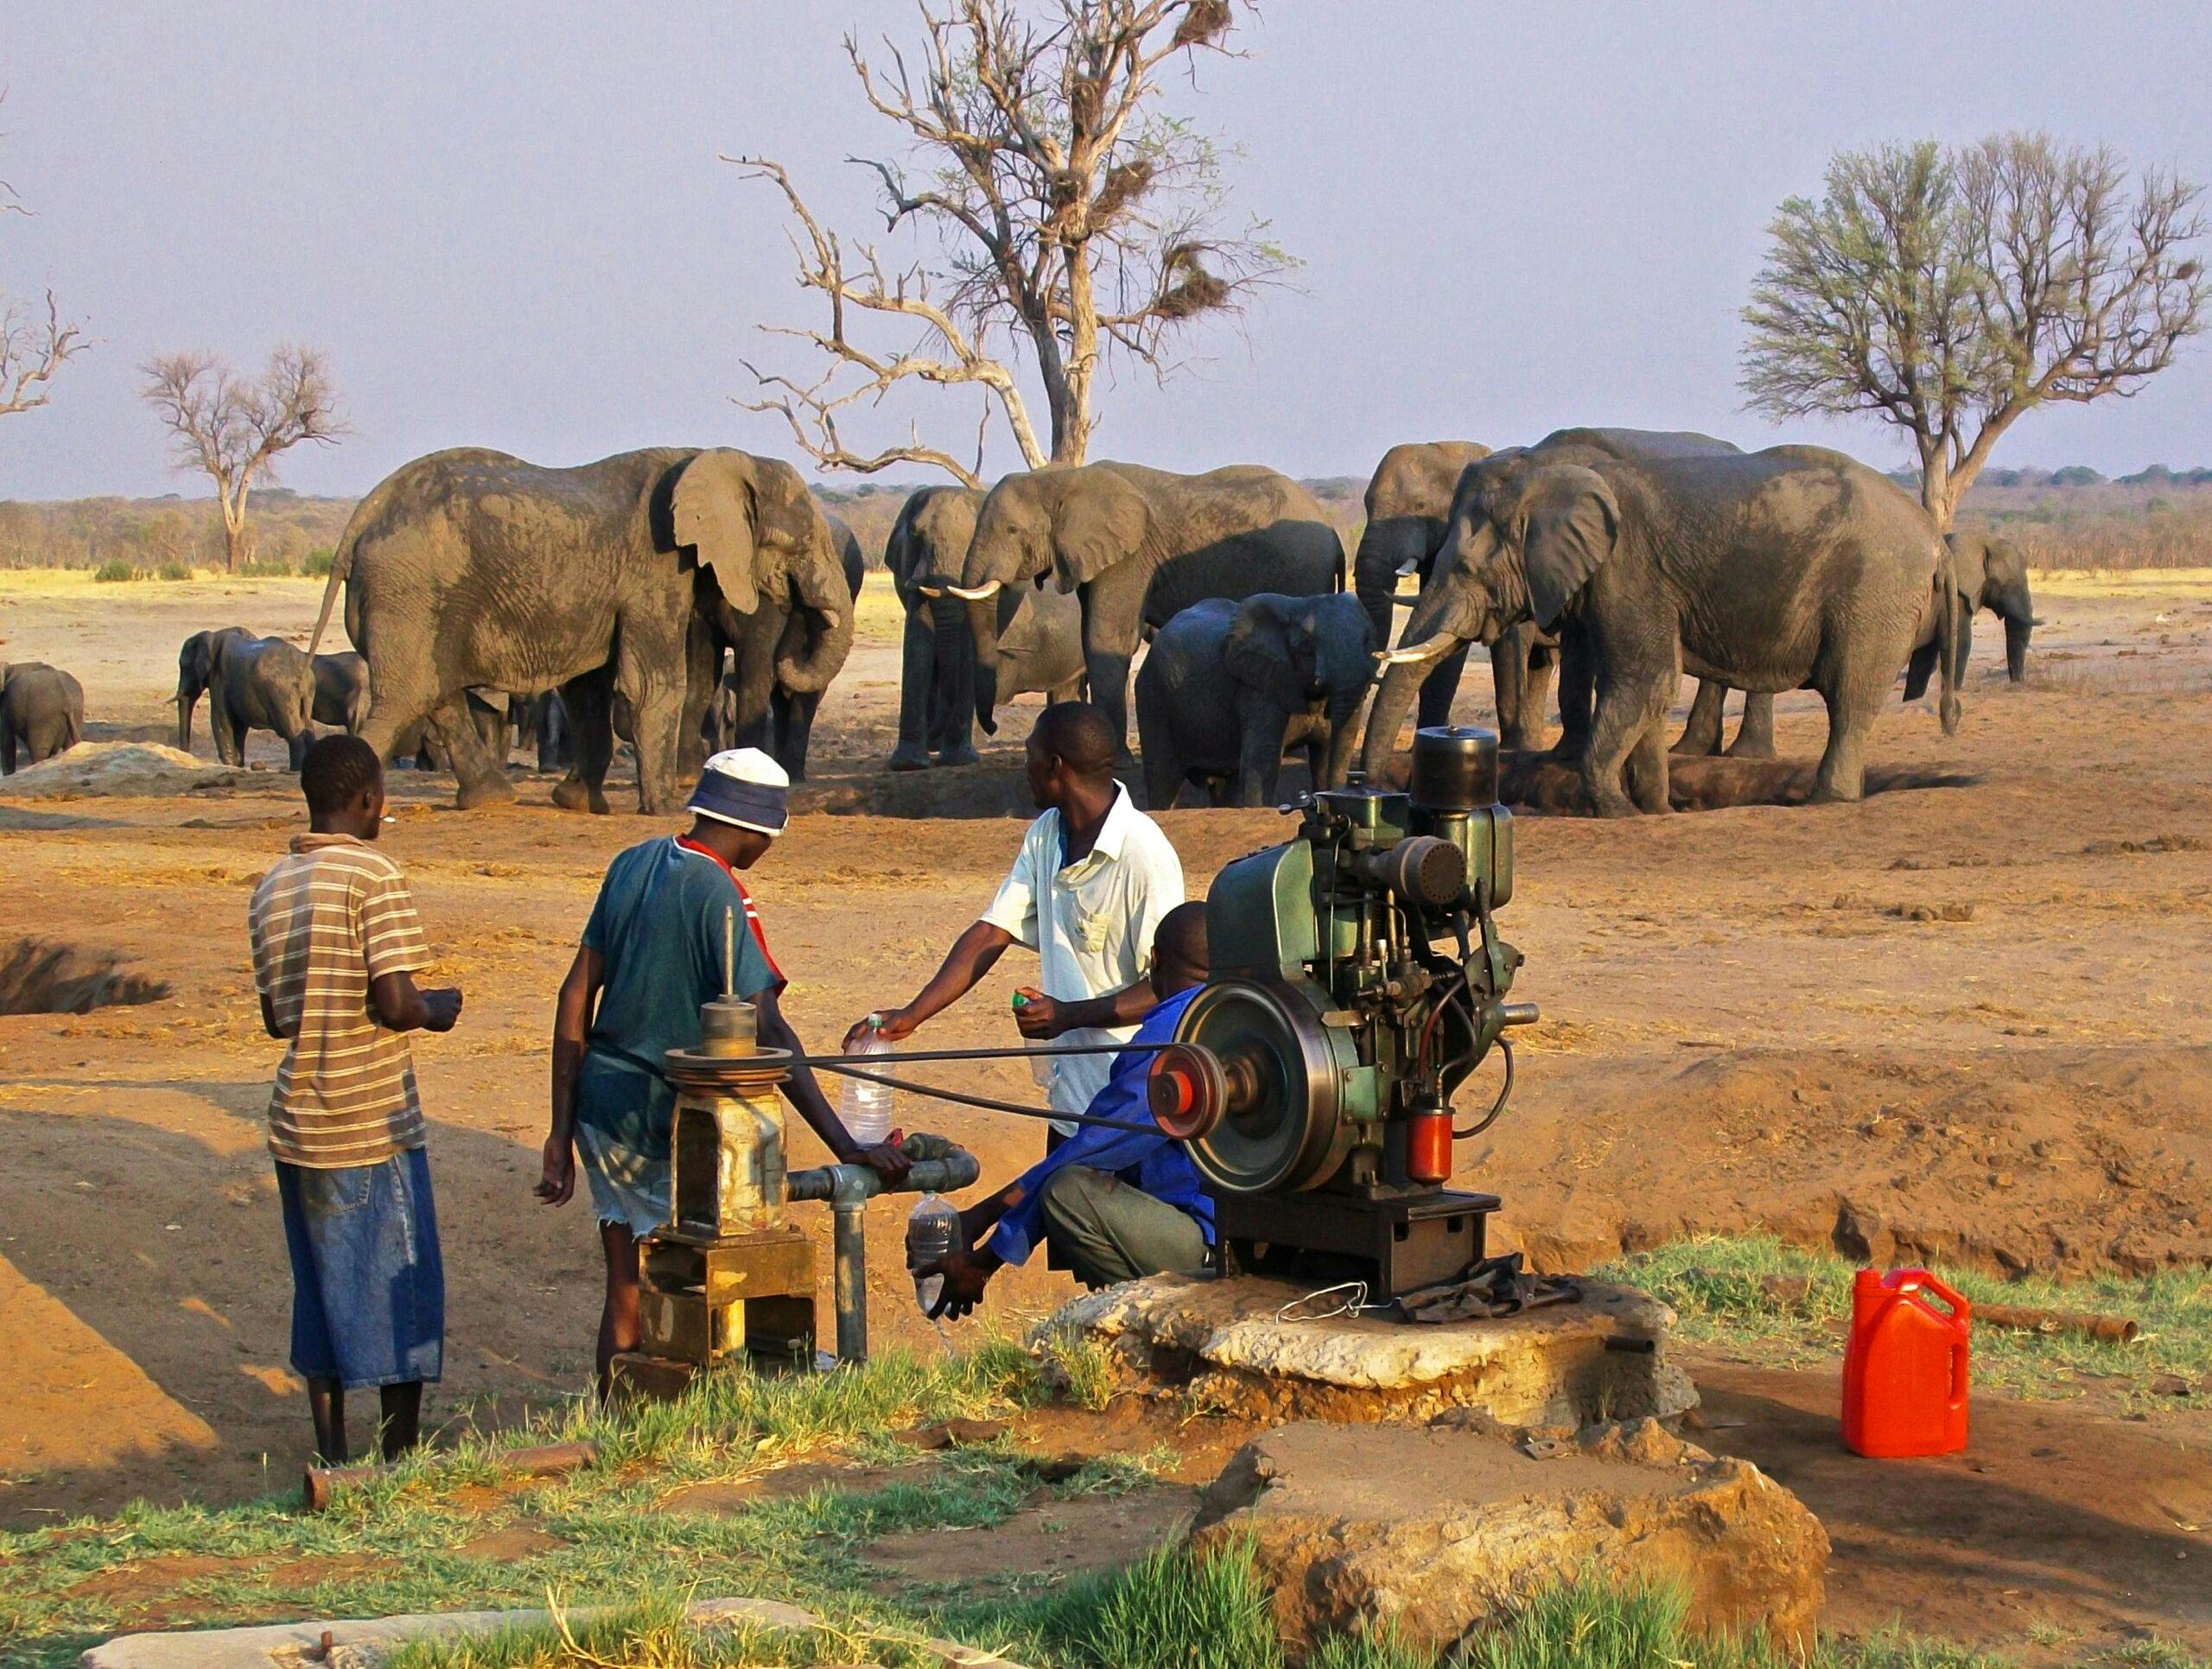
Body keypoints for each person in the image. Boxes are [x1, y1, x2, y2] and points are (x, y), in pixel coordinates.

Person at [539, 747, 911, 1397]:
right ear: (757, 831)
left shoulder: (630, 863)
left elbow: (576, 996)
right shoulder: (723, 895)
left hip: (599, 1106)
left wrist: (557, 1129)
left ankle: (615, 1419)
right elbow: (768, 1029)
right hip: (667, 1120)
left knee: (624, 1287)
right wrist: (847, 1146)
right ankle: (678, 1423)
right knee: (687, 1289)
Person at [246, 734, 461, 1464]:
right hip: (368, 1117)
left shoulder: (272, 884)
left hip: (296, 1120)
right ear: (371, 800)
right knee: (402, 1284)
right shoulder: (374, 875)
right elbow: (396, 1003)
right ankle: (398, 1456)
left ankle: (334, 1457)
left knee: (323, 1294)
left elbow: (278, 1018)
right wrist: (439, 1006)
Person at [849, 701, 1184, 1148]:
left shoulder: (1144, 856)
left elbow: (1172, 988)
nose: (1023, 767)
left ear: (1056, 767)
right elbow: (993, 931)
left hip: (1131, 1108)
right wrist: (911, 1015)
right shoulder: (1047, 833)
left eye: (1029, 755)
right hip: (1069, 1103)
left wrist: (1068, 1016)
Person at [923, 902, 1214, 1315]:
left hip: (1206, 1245)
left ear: (1155, 961)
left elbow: (1086, 1152)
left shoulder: (1171, 1037)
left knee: (1067, 1191)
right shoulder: (1237, 1016)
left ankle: (1153, 1316)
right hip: (1251, 1234)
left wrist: (985, 1254)